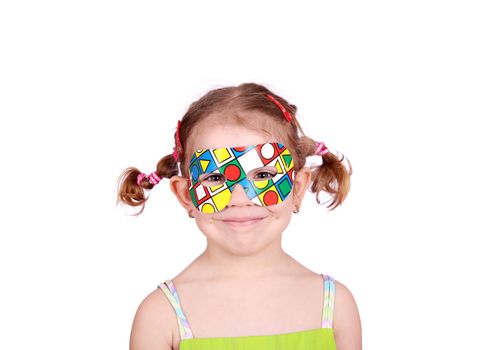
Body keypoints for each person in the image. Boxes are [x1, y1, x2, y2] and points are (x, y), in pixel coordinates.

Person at [117, 82, 362, 350]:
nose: (239, 198)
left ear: (298, 187)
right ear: (186, 194)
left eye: (264, 175)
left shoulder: (336, 306)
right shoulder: (160, 317)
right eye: (215, 177)